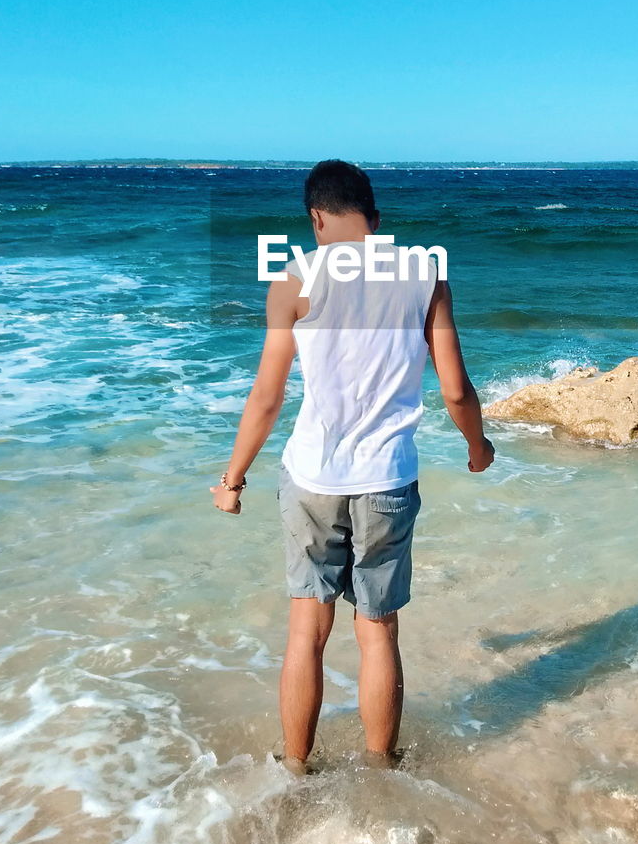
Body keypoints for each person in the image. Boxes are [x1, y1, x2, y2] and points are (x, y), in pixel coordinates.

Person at [210, 159, 494, 773]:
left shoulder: (294, 280)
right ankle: (379, 768)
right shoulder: (426, 276)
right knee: (379, 632)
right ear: (376, 216)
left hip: (312, 476)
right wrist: (478, 446)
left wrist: (232, 480)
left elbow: (267, 397)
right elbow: (454, 389)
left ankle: (294, 767)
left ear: (315, 217)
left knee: (305, 634)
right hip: (387, 478)